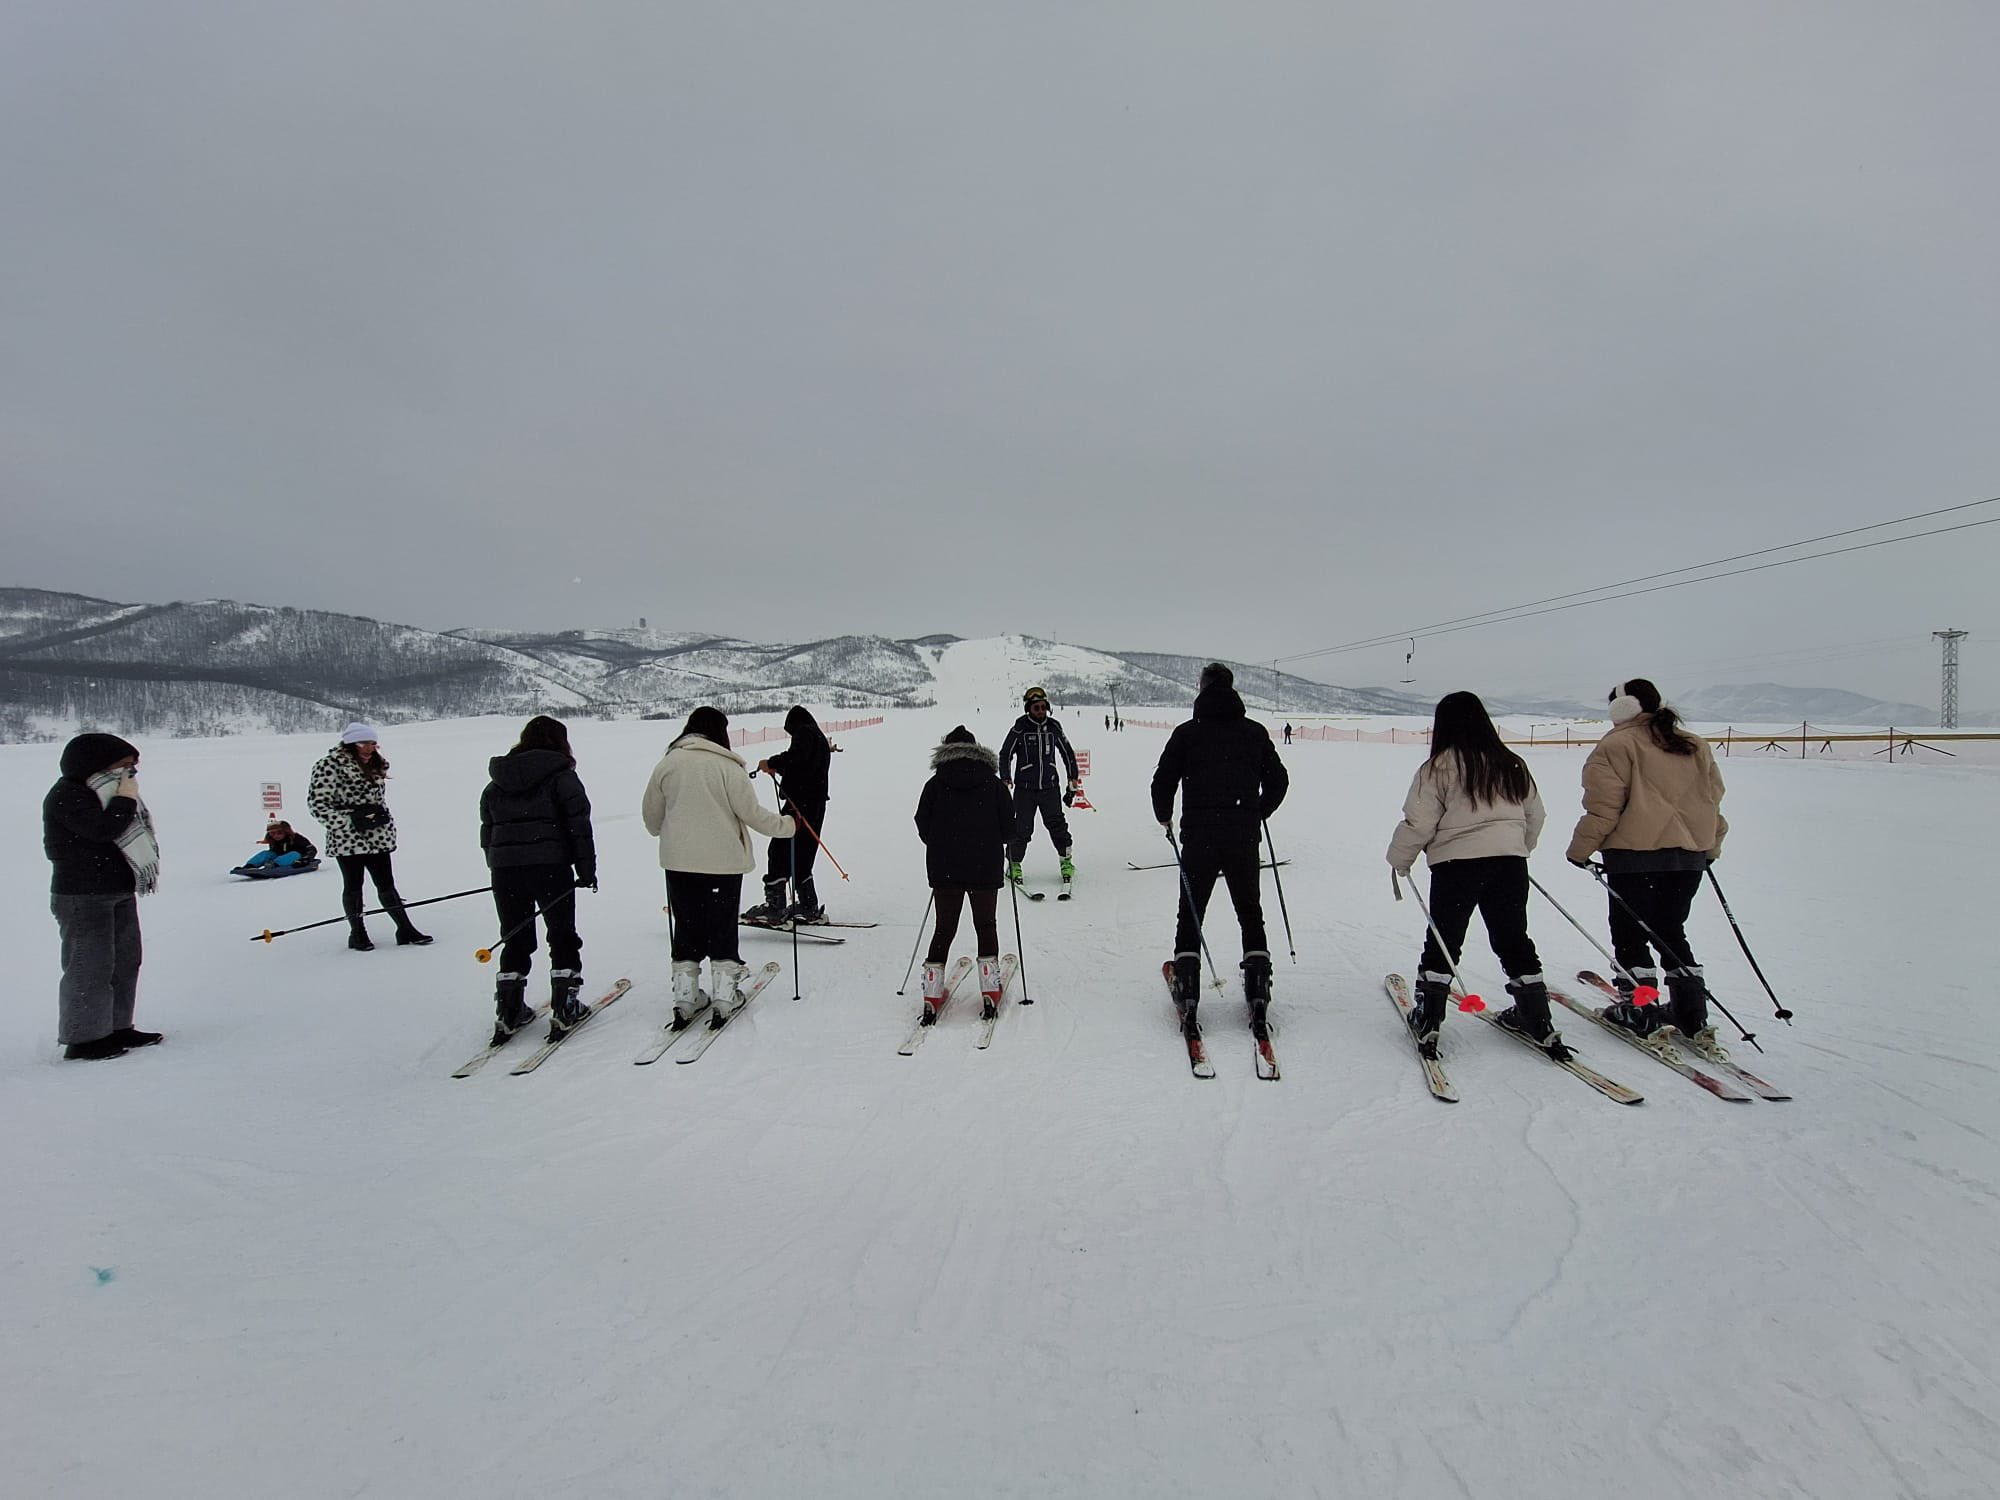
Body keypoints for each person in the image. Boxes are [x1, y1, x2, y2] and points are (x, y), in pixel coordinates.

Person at [1386, 692, 1563, 1059]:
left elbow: (1419, 822)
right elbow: (1536, 815)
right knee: (1513, 938)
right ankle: (1536, 1017)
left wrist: (1400, 860)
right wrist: (1518, 847)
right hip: (1508, 864)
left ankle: (1429, 1017)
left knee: (1444, 938)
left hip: (1457, 865)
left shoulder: (1438, 768)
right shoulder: (1511, 763)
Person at [1565, 679, 1728, 1042]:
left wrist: (1580, 850)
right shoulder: (1693, 745)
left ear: (1621, 708)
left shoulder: (1616, 745)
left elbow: (1604, 807)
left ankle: (1640, 1008)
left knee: (1630, 934)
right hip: (1689, 858)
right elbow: (1712, 801)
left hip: (1634, 858)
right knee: (1670, 929)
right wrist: (1710, 847)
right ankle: (1691, 1011)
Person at [1150, 663, 1289, 1034]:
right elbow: (1279, 781)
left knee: (1191, 914)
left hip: (1199, 837)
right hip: (1242, 835)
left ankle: (1188, 990)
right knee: (1250, 913)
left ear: (1202, 689)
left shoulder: (1187, 733)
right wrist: (1257, 811)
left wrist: (1164, 816)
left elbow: (1163, 781)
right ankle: (1258, 990)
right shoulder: (1254, 732)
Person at [641, 707, 795, 1028]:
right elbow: (751, 814)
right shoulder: (727, 766)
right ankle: (725, 997)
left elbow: (652, 818)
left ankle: (686, 998)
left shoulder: (668, 764)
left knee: (686, 925)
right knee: (721, 924)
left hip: (679, 863)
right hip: (722, 864)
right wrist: (787, 825)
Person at [44, 733, 164, 1060]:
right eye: (123, 766)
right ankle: (84, 1038)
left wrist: (124, 798)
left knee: (125, 962)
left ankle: (117, 1026)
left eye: (133, 767)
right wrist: (124, 800)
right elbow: (103, 830)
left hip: (118, 889)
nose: (130, 774)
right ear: (96, 764)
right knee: (90, 966)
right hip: (82, 895)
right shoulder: (69, 795)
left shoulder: (109, 792)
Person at [480, 715, 598, 1040]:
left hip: (505, 870)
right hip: (551, 867)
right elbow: (579, 827)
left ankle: (509, 1009)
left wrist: (497, 866)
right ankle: (565, 1006)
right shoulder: (562, 777)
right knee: (562, 935)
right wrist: (586, 871)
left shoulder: (496, 782)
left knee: (515, 936)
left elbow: (488, 832)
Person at [913, 725, 1015, 1019]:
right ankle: (990, 990)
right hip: (985, 865)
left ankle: (932, 991)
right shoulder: (993, 784)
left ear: (946, 750)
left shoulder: (935, 784)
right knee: (986, 925)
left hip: (945, 866)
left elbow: (922, 824)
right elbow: (1010, 829)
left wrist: (942, 843)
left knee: (944, 927)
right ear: (976, 750)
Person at [306, 722, 432, 950]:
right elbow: (318, 805)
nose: (370, 748)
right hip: (347, 839)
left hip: (377, 835)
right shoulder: (328, 765)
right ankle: (358, 933)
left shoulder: (375, 765)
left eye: (373, 743)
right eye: (364, 743)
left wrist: (378, 819)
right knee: (354, 885)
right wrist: (348, 823)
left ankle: (405, 929)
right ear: (350, 744)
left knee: (386, 884)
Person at [744, 705, 833, 926]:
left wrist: (771, 763)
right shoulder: (819, 738)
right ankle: (808, 906)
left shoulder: (804, 732)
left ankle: (775, 908)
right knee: (803, 854)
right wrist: (778, 767)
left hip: (799, 805)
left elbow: (796, 759)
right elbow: (805, 764)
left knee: (779, 851)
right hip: (816, 805)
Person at [998, 686, 1081, 886]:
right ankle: (1014, 864)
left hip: (1050, 788)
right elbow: (1005, 754)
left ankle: (1066, 861)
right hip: (1025, 790)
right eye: (1036, 708)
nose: (1041, 711)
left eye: (1044, 707)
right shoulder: (1020, 728)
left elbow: (1068, 753)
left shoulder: (1054, 727)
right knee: (1022, 829)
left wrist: (1073, 778)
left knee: (1057, 826)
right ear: (1029, 709)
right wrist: (1005, 778)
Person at [233, 820, 319, 874]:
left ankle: (274, 865)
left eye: (279, 833)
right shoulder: (274, 841)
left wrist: (306, 859)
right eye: (272, 833)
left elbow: (311, 849)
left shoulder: (296, 838)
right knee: (266, 853)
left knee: (294, 854)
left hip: (297, 858)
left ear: (286, 831)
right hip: (279, 858)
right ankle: (250, 866)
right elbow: (273, 853)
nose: (276, 835)